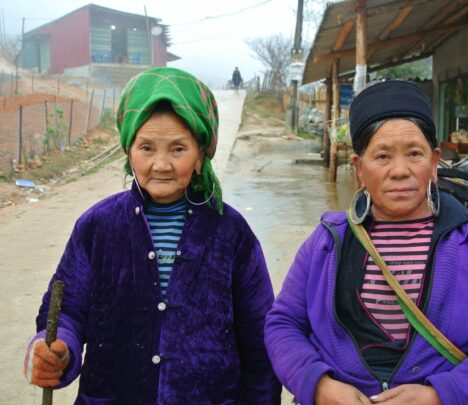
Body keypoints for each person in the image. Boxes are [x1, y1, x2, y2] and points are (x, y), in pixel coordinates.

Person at [264, 80, 468, 405]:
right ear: (359, 169)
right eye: (381, 156)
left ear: (434, 162)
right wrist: (320, 386)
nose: (400, 170)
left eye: (414, 153)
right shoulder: (328, 240)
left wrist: (441, 394)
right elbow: (283, 324)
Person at [24, 67, 281, 404]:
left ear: (201, 155)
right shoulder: (97, 226)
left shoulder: (231, 233)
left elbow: (258, 333)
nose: (161, 164)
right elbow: (67, 310)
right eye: (146, 148)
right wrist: (56, 349)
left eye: (178, 149)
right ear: (129, 152)